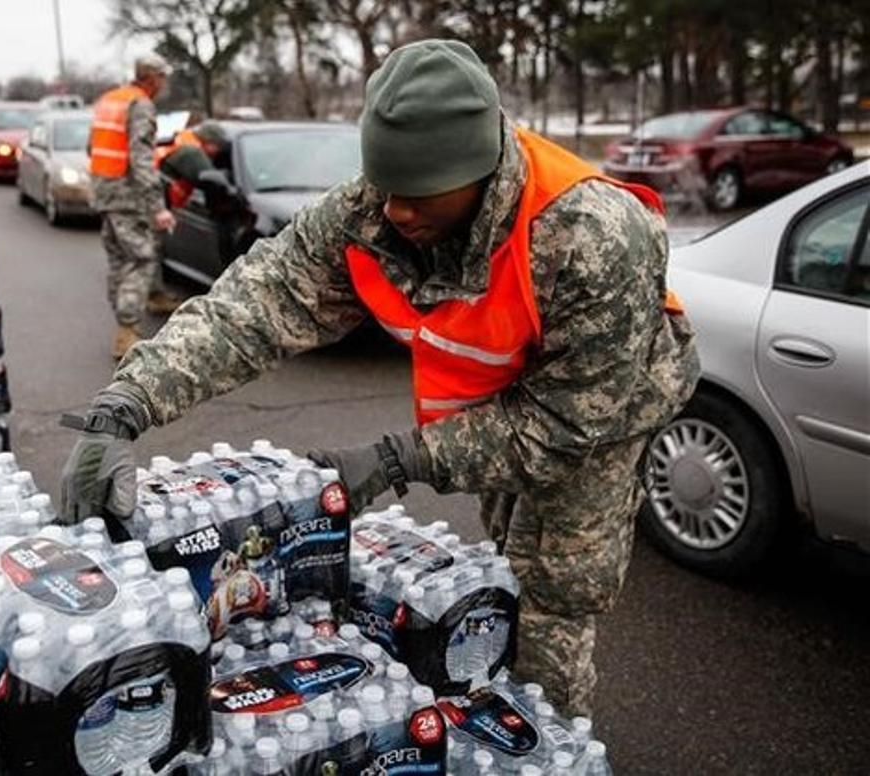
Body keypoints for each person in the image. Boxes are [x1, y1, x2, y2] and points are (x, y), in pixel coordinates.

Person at [61, 39, 700, 716]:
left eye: (419, 191)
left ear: (479, 172)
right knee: (502, 563)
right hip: (497, 390)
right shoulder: (371, 210)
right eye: (385, 184)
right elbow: (258, 304)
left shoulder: (592, 234)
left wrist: (402, 457)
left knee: (552, 591)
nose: (397, 210)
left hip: (599, 406)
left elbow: (567, 423)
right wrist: (124, 404)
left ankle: (551, 740)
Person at [89, 53, 179, 360]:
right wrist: (158, 207)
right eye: (163, 78)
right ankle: (126, 331)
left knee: (117, 258)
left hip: (105, 192)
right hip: (128, 196)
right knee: (141, 259)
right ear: (152, 77)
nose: (165, 84)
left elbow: (93, 146)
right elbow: (141, 159)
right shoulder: (140, 104)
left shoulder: (109, 99)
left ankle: (139, 305)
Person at [155, 121, 234, 210]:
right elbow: (213, 183)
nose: (219, 150)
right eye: (218, 145)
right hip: (159, 205)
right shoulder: (191, 153)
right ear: (208, 141)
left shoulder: (184, 142)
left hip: (159, 200)